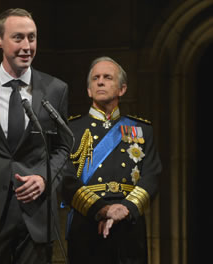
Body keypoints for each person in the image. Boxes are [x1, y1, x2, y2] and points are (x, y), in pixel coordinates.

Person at [0, 8, 71, 264]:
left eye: (32, 37)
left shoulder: (55, 89)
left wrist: (44, 178)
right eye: (18, 37)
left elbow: (64, 149)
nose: (27, 46)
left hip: (37, 213)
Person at [62, 56, 161, 264]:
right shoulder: (71, 129)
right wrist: (102, 210)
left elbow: (152, 175)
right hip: (87, 222)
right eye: (95, 78)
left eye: (107, 77)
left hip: (129, 224)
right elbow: (66, 178)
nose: (100, 82)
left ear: (122, 89)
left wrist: (125, 209)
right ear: (89, 90)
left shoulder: (142, 130)